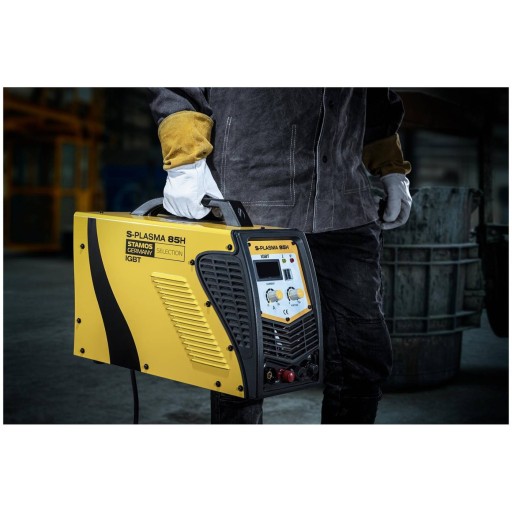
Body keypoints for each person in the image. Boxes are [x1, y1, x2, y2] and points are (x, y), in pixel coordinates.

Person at [148, 88, 412, 424]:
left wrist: (391, 168)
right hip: (252, 204)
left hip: (344, 207)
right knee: (244, 362)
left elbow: (374, 96)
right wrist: (185, 161)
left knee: (362, 356)